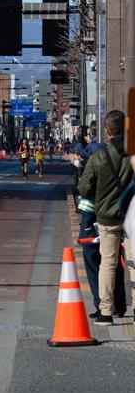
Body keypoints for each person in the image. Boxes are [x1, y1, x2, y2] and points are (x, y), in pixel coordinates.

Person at [77, 110, 135, 326]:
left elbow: (84, 188)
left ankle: (106, 311)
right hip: (132, 216)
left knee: (108, 263)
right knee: (133, 263)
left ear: (107, 131)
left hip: (107, 217)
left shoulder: (98, 157)